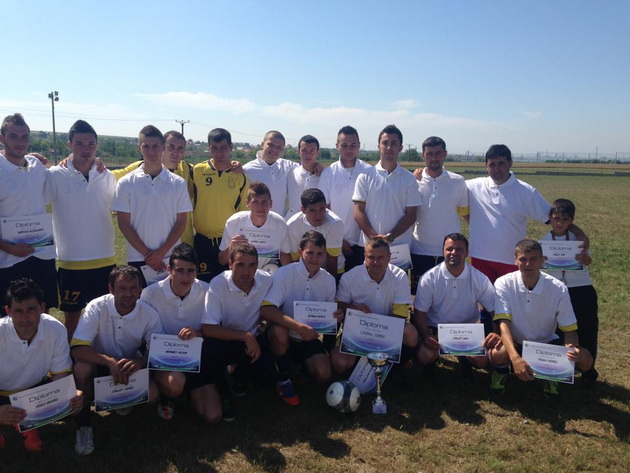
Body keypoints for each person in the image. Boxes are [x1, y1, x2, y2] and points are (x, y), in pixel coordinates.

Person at [71, 266, 163, 455]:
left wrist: (140, 363)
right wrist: (109, 362)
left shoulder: (149, 313)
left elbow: (158, 350)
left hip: (130, 365)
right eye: (122, 288)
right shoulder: (96, 307)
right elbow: (78, 349)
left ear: (140, 289)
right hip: (99, 363)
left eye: (133, 288)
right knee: (81, 369)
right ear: (111, 289)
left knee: (153, 395)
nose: (128, 293)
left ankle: (121, 399)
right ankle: (83, 424)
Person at [465, 144, 589, 284]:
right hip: (480, 258)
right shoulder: (473, 186)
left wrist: (579, 234)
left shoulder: (526, 191)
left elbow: (554, 218)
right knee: (483, 297)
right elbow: (450, 189)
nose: (496, 169)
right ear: (486, 165)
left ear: (510, 163)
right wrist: (471, 220)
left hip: (513, 260)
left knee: (511, 296)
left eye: (501, 164)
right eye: (492, 164)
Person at [492, 239, 593, 398]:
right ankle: (502, 373)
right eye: (523, 259)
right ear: (515, 260)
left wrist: (571, 347)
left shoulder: (558, 288)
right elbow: (504, 323)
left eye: (533, 259)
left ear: (542, 260)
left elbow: (569, 329)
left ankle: (549, 376)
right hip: (516, 342)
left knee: (586, 360)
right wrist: (515, 357)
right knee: (498, 354)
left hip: (546, 346)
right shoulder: (503, 283)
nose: (528, 264)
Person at [44, 120, 117, 339]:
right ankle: (68, 358)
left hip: (104, 259)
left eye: (91, 144)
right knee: (72, 319)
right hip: (71, 261)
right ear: (70, 145)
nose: (86, 149)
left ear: (97, 145)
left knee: (104, 319)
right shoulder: (54, 175)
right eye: (79, 144)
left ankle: (98, 358)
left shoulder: (107, 176)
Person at [0, 278, 83, 452]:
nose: (25, 317)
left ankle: (28, 421)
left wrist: (67, 395)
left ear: (42, 307)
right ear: (8, 311)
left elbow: (60, 374)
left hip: (35, 391)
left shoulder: (55, 329)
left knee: (74, 407)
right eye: (18, 311)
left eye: (31, 309)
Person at [140, 243, 220, 422]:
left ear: (197, 271)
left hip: (195, 358)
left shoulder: (207, 290)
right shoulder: (150, 294)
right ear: (169, 270)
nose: (185, 277)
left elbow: (214, 327)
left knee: (213, 416)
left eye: (190, 271)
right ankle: (167, 396)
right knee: (175, 384)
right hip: (164, 359)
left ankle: (192, 392)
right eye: (180, 270)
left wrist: (198, 332)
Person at [260, 231, 340, 405]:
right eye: (310, 253)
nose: (314, 259)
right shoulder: (284, 273)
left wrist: (335, 317)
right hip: (285, 335)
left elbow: (328, 318)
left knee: (323, 374)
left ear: (324, 254)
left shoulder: (328, 280)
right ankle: (284, 378)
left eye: (319, 254)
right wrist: (298, 327)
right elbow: (267, 309)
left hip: (307, 338)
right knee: (279, 332)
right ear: (300, 252)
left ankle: (296, 367)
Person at [413, 233, 507, 380]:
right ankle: (432, 361)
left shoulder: (479, 278)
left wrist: (496, 332)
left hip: (467, 331)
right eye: (449, 249)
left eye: (459, 249)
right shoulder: (429, 278)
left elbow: (494, 310)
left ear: (467, 253)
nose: (453, 253)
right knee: (424, 355)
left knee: (482, 361)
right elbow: (420, 312)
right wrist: (425, 336)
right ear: (443, 251)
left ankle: (465, 360)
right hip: (436, 329)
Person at [201, 243, 276, 421]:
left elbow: (275, 309)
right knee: (210, 349)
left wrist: (262, 326)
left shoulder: (267, 280)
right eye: (240, 265)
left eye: (252, 265)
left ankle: (238, 375)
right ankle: (224, 395)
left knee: (268, 378)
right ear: (230, 265)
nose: (247, 272)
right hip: (226, 339)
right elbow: (208, 328)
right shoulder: (218, 284)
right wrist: (245, 336)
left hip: (254, 339)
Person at [112, 125, 192, 287]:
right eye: (146, 146)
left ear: (163, 147)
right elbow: (124, 224)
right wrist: (149, 255)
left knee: (170, 300)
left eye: (156, 146)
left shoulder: (178, 183)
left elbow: (181, 223)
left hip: (170, 257)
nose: (151, 151)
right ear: (139, 148)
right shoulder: (126, 183)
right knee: (141, 301)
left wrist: (161, 253)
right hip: (138, 257)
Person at [330, 237, 418, 374]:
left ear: (389, 256)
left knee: (410, 333)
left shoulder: (399, 276)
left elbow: (400, 316)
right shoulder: (349, 277)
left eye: (380, 257)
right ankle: (364, 370)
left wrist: (379, 336)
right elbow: (338, 306)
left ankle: (387, 370)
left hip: (387, 330)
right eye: (371, 257)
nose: (376, 262)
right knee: (339, 362)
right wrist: (354, 308)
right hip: (357, 332)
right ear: (365, 256)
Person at [0, 113, 58, 311]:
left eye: (24, 137)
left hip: (42, 254)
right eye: (13, 136)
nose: (20, 142)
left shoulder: (36, 166)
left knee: (43, 312)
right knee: (11, 318)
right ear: (2, 139)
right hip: (9, 260)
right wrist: (9, 248)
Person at [540, 199, 599, 386]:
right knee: (560, 330)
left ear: (571, 221)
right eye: (556, 218)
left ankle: (589, 370)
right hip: (557, 291)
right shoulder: (544, 241)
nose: (559, 223)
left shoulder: (578, 240)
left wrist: (583, 258)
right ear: (550, 218)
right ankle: (564, 368)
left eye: (565, 219)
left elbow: (589, 261)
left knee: (586, 328)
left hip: (581, 289)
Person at [410, 136, 468, 293]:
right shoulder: (413, 181)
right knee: (419, 297)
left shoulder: (458, 181)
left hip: (449, 252)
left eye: (438, 153)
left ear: (445, 154)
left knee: (448, 296)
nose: (434, 158)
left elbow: (465, 212)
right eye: (429, 153)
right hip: (419, 250)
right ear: (423, 155)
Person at [353, 125, 421, 255]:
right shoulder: (364, 176)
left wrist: (390, 237)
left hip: (399, 249)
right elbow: (358, 212)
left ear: (400, 147)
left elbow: (411, 215)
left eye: (394, 143)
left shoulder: (409, 179)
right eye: (385, 143)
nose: (389, 147)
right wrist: (374, 238)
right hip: (370, 247)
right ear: (379, 146)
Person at [192, 128, 249, 282]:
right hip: (202, 241)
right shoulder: (197, 171)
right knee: (202, 285)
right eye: (214, 148)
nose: (219, 153)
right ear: (209, 147)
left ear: (231, 147)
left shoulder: (240, 176)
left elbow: (243, 213)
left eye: (223, 148)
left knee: (228, 285)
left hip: (227, 241)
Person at [319, 126, 372, 272]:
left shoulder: (369, 171)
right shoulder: (328, 173)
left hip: (364, 242)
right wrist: (339, 240)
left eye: (353, 145)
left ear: (359, 145)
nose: (349, 149)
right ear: (337, 146)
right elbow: (324, 210)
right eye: (344, 145)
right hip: (336, 243)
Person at [217, 182, 291, 271]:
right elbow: (221, 260)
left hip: (267, 269)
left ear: (270, 204)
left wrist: (288, 277)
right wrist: (231, 248)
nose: (260, 207)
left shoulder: (279, 223)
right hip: (240, 271)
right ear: (247, 203)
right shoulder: (233, 222)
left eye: (264, 202)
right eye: (255, 202)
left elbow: (284, 254)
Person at [286, 189, 345, 278]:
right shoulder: (292, 225)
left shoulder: (335, 224)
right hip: (304, 271)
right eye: (313, 210)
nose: (319, 215)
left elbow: (332, 260)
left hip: (334, 270)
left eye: (322, 209)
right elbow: (295, 259)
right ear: (303, 210)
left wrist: (329, 283)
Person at [243, 131, 298, 217]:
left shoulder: (286, 166)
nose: (274, 150)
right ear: (262, 144)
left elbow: (306, 167)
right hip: (255, 223)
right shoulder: (247, 169)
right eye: (271, 145)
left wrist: (316, 166)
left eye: (279, 147)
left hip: (280, 222)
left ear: (282, 150)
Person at [285, 135, 321, 220]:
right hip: (293, 221)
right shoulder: (290, 172)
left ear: (318, 153)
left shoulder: (324, 175)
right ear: (298, 152)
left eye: (312, 150)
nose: (308, 154)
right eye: (304, 150)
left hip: (316, 221)